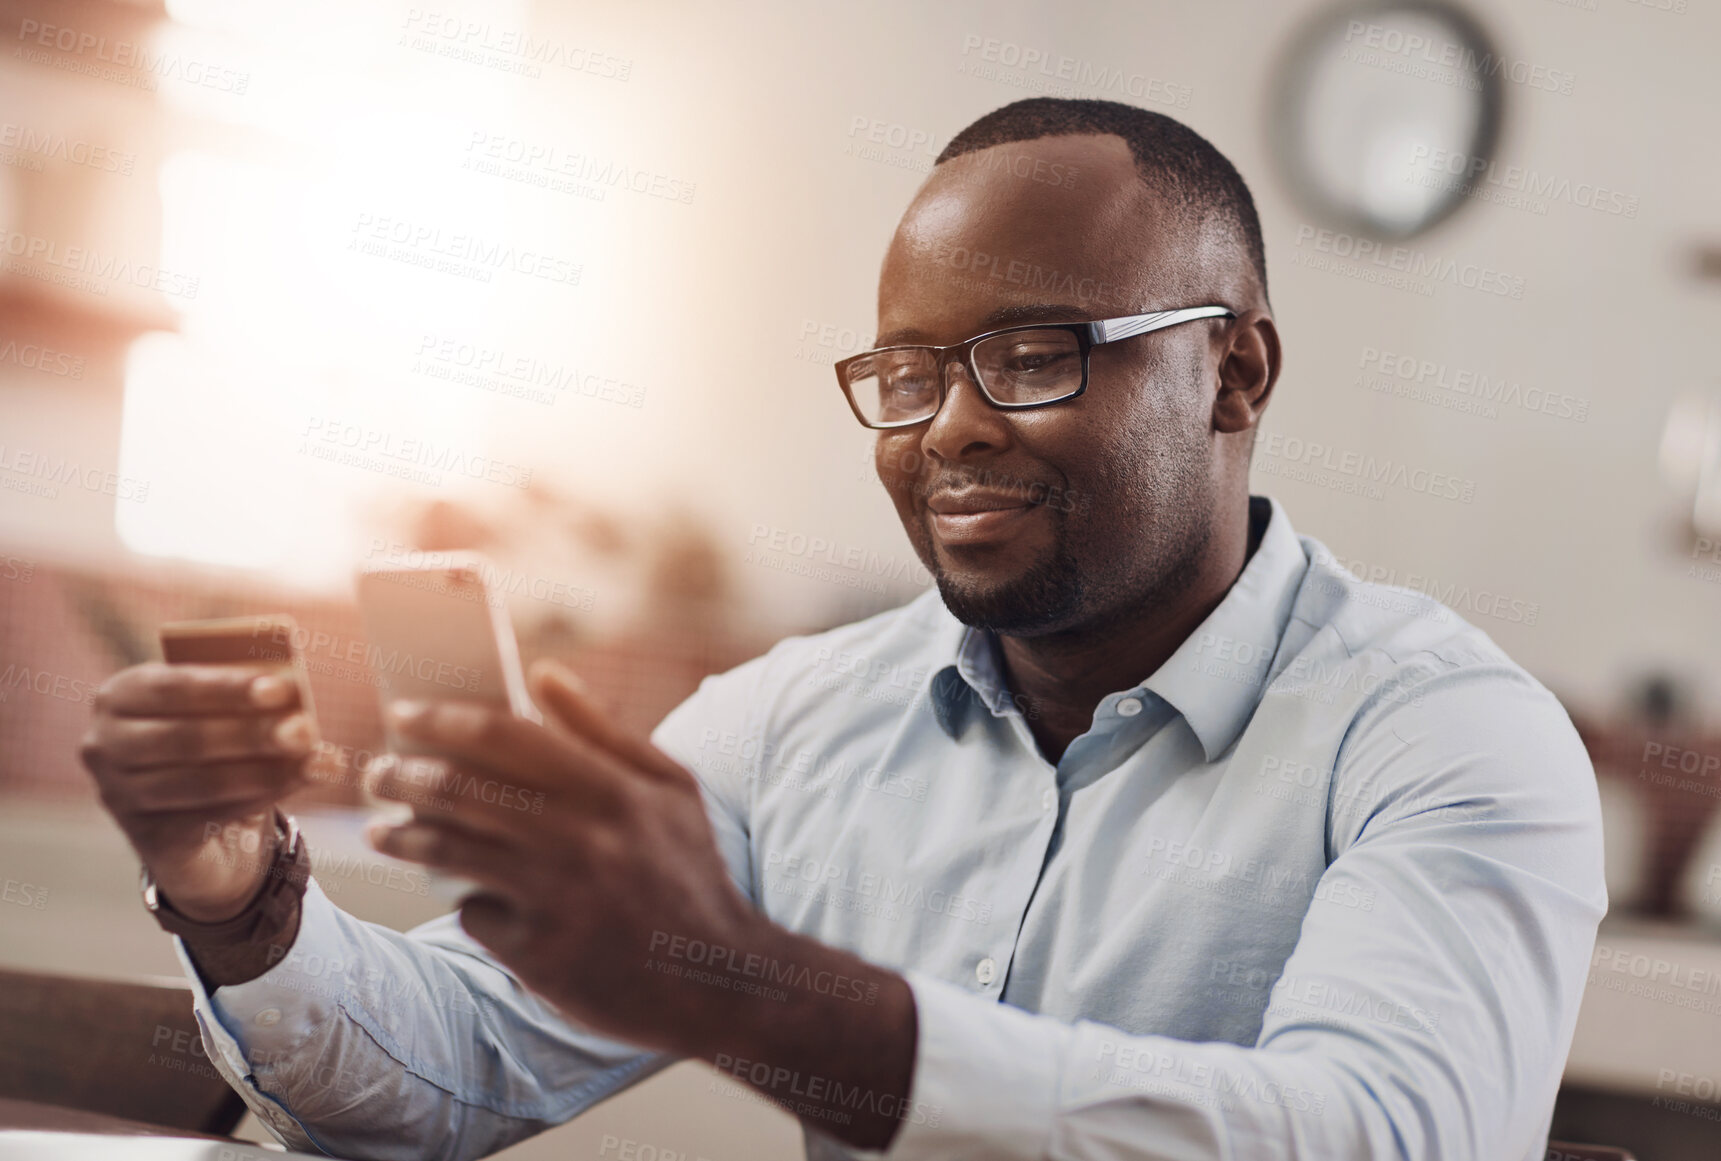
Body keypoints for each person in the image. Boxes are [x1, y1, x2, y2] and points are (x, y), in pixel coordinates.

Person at [79, 98, 1605, 1161]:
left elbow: (1373, 1137)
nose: (946, 430)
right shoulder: (788, 719)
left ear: (1236, 373)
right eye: (904, 371)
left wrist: (733, 980)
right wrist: (240, 897)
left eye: (1026, 356)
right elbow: (449, 1069)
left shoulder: (1443, 731)